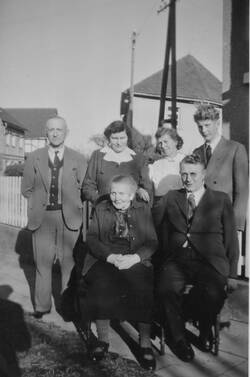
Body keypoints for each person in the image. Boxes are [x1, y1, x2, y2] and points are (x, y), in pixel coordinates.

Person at [154, 154, 239, 362]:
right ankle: (179, 339)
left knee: (212, 293)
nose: (188, 179)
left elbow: (231, 239)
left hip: (210, 260)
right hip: (177, 259)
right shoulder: (171, 197)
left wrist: (233, 274)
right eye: (184, 174)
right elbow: (153, 224)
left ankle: (204, 328)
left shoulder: (220, 199)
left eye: (193, 174)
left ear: (204, 174)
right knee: (165, 289)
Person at [79, 175, 158, 370]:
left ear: (132, 195)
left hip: (133, 257)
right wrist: (111, 257)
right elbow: (92, 239)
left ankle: (145, 343)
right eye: (113, 193)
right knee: (101, 283)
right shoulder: (101, 208)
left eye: (122, 193)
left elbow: (152, 242)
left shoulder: (143, 210)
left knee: (143, 285)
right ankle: (103, 340)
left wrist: (135, 258)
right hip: (105, 257)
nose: (116, 197)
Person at [21, 116, 86, 319]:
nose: (55, 133)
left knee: (68, 263)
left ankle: (67, 308)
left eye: (59, 129)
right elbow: (26, 189)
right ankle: (42, 306)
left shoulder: (78, 158)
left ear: (66, 132)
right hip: (43, 217)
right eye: (51, 130)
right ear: (46, 132)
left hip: (70, 218)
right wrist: (39, 204)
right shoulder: (34, 157)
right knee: (43, 263)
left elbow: (85, 188)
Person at [193, 103, 248, 232]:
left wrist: (235, 227)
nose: (204, 130)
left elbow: (242, 192)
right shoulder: (197, 152)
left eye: (207, 125)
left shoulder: (235, 149)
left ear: (217, 123)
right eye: (200, 126)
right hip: (200, 221)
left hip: (224, 222)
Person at [82, 120, 152, 205]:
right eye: (114, 138)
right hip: (104, 211)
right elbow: (88, 186)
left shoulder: (139, 158)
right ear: (108, 138)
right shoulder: (97, 156)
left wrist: (140, 191)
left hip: (131, 211)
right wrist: (100, 202)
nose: (119, 143)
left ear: (128, 138)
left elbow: (147, 187)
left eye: (122, 138)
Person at [149, 127, 185, 198]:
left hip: (181, 203)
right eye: (160, 143)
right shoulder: (155, 165)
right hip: (159, 204)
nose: (162, 146)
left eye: (165, 142)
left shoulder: (185, 160)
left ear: (175, 141)